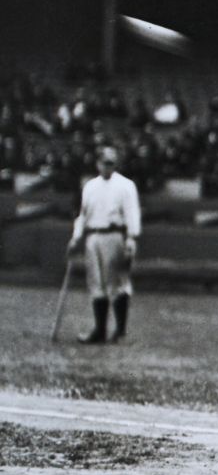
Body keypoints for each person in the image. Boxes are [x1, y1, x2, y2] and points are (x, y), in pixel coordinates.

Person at [67, 145, 142, 344]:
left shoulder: (125, 185)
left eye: (111, 162)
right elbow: (82, 216)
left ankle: (120, 330)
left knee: (117, 282)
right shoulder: (90, 186)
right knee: (96, 283)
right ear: (97, 163)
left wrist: (131, 239)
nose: (108, 166)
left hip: (114, 235)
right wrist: (76, 237)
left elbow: (132, 213)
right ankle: (99, 330)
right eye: (104, 162)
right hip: (93, 236)